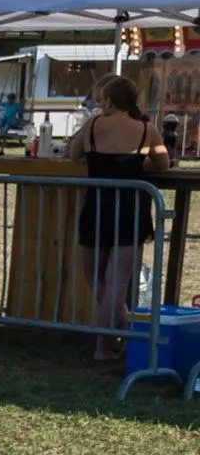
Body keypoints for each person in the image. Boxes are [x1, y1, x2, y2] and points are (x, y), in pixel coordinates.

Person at [65, 74, 166, 358]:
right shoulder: (147, 129)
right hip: (131, 209)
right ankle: (114, 336)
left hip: (97, 206)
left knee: (95, 276)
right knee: (117, 281)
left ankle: (113, 337)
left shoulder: (94, 124)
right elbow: (163, 162)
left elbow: (73, 154)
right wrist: (137, 160)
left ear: (109, 101)